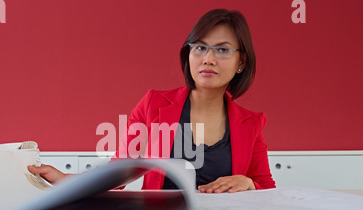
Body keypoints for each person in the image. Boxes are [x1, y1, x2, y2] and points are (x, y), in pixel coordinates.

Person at [29, 8, 276, 193]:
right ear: (188, 54)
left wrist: (249, 183)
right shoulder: (154, 105)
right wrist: (65, 178)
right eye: (200, 48)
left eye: (222, 50)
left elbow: (266, 186)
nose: (208, 59)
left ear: (241, 62)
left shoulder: (251, 123)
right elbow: (118, 174)